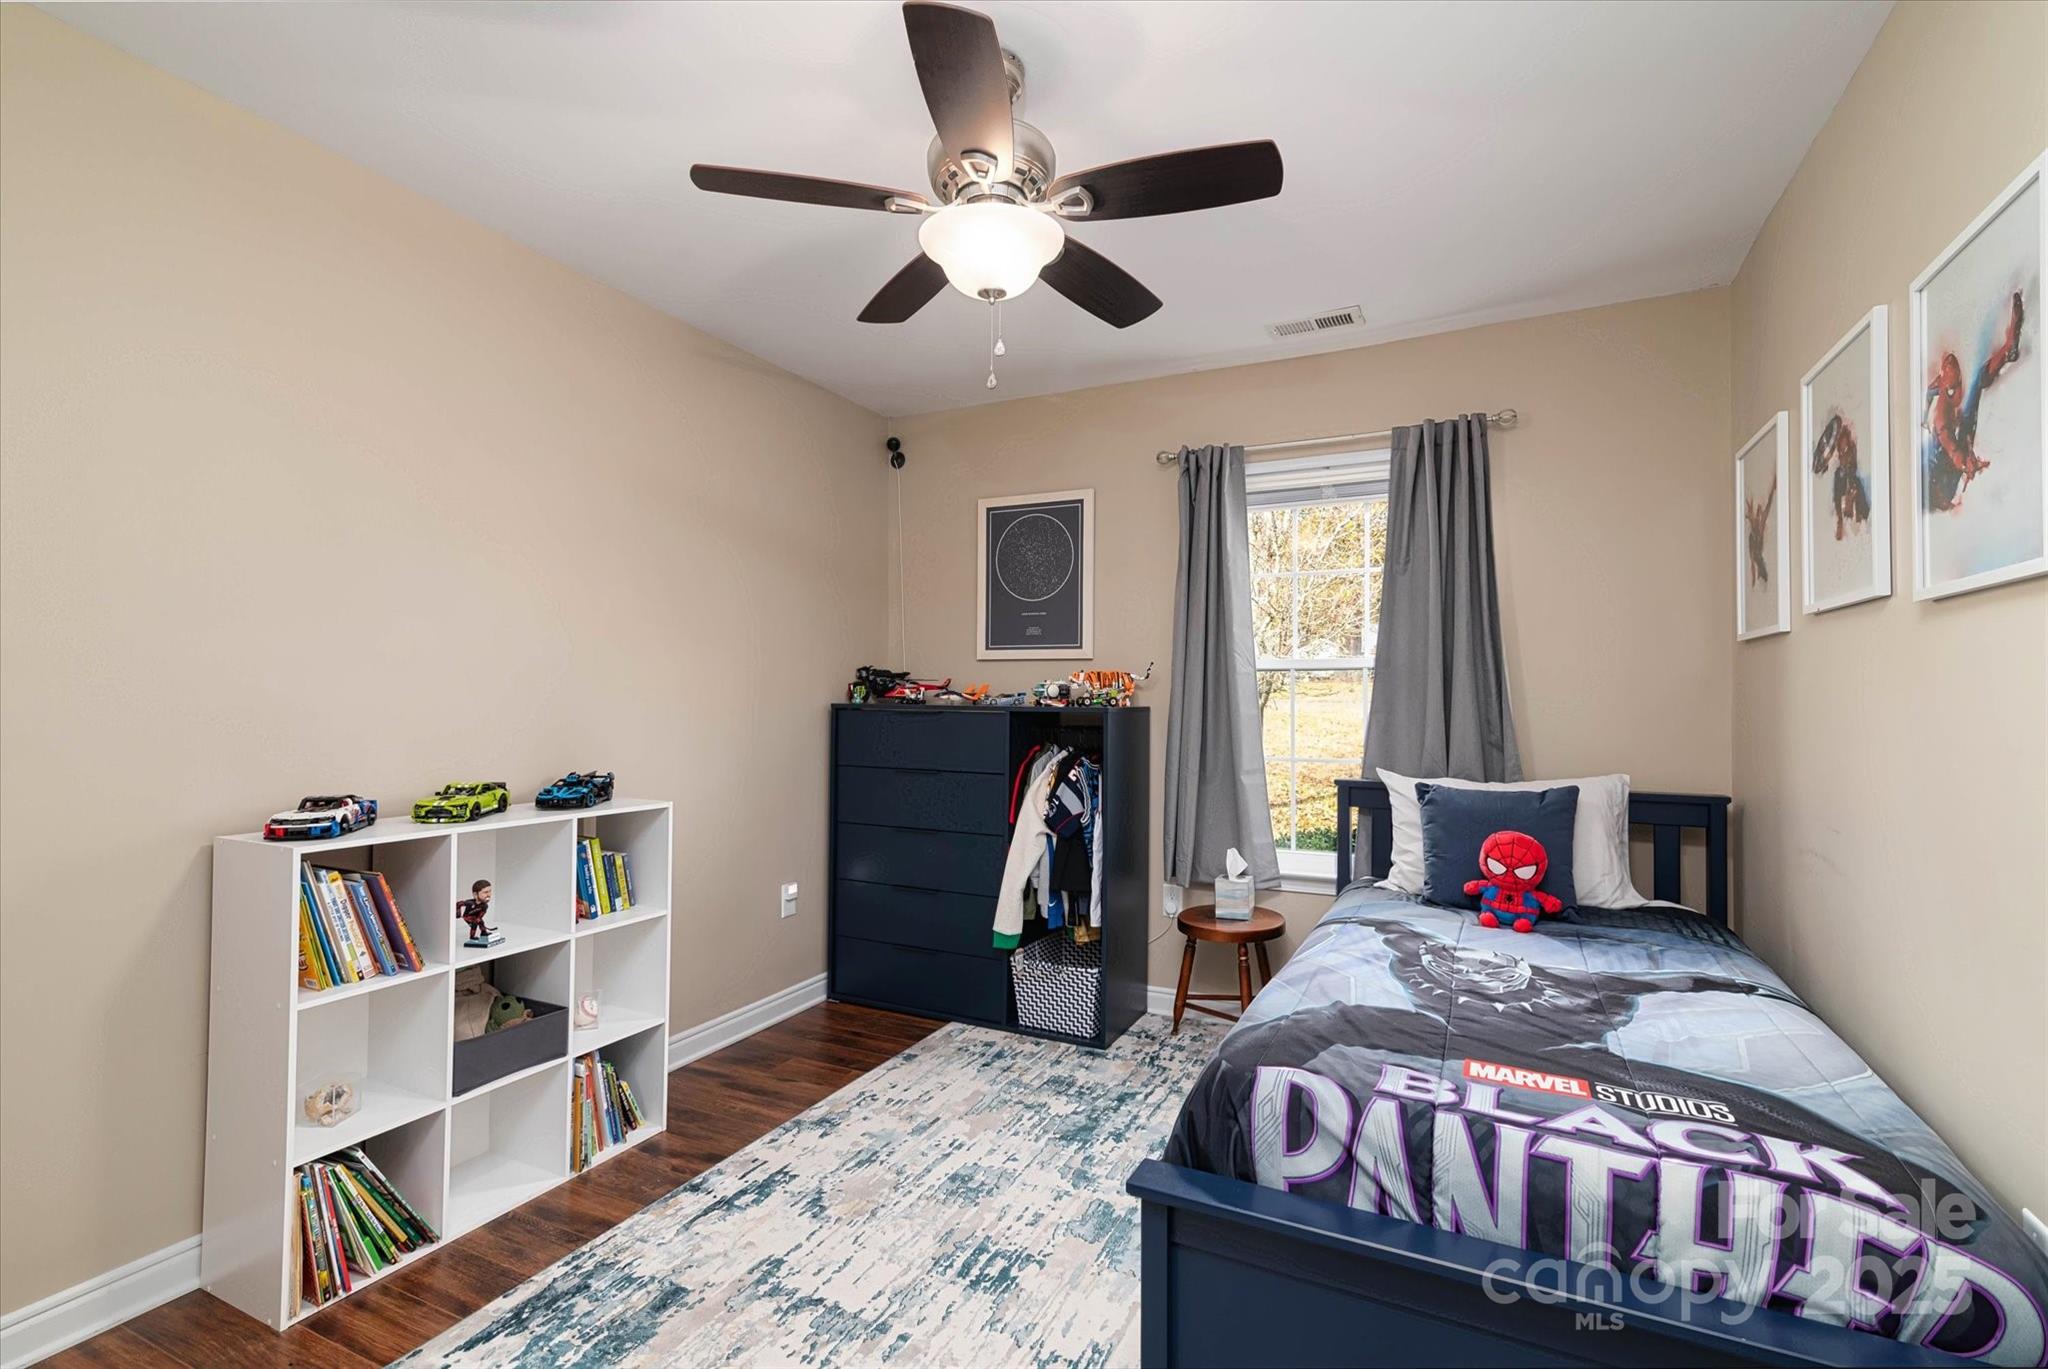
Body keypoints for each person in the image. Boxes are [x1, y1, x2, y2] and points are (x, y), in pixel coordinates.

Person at [1925, 290, 2025, 513]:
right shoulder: (1942, 416)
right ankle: (2008, 349)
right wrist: (1965, 462)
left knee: (1978, 383)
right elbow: (1950, 447)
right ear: (1945, 386)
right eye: (1953, 387)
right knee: (1976, 389)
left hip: (1955, 451)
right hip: (1943, 480)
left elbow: (1933, 392)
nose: (1957, 390)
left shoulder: (1940, 391)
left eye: (1958, 382)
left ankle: (2009, 349)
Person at [1810, 412, 1869, 541]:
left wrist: (1853, 509)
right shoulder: (1838, 477)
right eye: (1840, 452)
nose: (1842, 457)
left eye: (1846, 451)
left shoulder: (1857, 481)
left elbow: (1863, 515)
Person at [1744, 469, 1777, 585]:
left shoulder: (1760, 526)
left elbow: (1768, 504)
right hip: (1758, 559)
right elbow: (1752, 561)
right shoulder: (1754, 535)